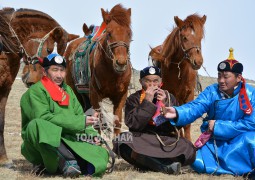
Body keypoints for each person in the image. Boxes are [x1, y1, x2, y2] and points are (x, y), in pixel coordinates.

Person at [163, 48, 255, 176]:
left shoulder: (251, 95)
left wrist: (218, 126)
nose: (221, 81)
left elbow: (251, 124)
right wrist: (177, 112)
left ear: (238, 77)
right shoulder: (212, 91)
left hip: (240, 140)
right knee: (196, 161)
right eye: (219, 76)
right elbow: (196, 106)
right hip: (216, 141)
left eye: (226, 77)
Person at [20, 46, 109, 178]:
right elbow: (45, 118)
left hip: (67, 137)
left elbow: (80, 116)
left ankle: (75, 164)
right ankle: (68, 161)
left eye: (62, 70)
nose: (59, 75)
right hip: (42, 140)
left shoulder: (68, 91)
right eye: (55, 70)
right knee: (38, 124)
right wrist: (80, 122)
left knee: (100, 154)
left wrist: (92, 135)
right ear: (45, 72)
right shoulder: (36, 92)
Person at [113, 66, 196, 175]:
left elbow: (176, 127)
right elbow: (133, 125)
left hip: (165, 141)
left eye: (156, 81)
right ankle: (165, 166)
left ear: (161, 82)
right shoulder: (134, 98)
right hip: (143, 140)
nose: (152, 85)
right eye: (148, 81)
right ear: (141, 82)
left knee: (188, 147)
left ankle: (147, 161)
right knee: (122, 140)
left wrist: (166, 105)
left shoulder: (169, 98)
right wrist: (147, 101)